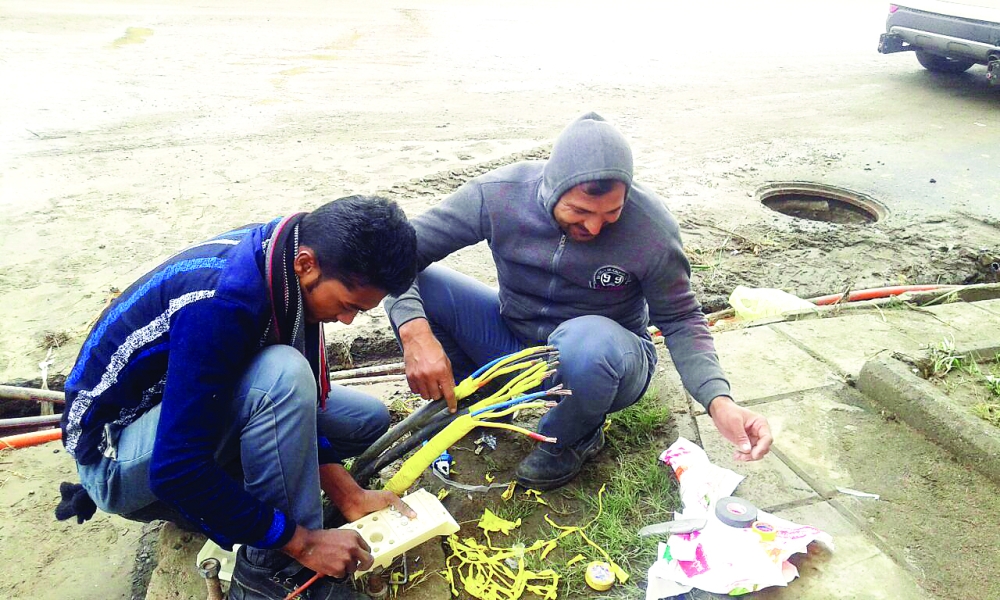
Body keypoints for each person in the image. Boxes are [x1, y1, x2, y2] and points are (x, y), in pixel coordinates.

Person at [384, 113, 773, 491]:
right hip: (514, 340)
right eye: (580, 211)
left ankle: (571, 436)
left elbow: (682, 318)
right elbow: (400, 253)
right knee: (425, 287)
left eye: (611, 213)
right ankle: (485, 400)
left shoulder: (651, 228)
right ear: (549, 189)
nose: (594, 227)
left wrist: (718, 401)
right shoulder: (498, 194)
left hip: (607, 359)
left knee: (587, 344)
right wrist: (416, 334)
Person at [60, 196, 418, 600]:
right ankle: (272, 569)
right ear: (306, 265)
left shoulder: (283, 256)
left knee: (365, 419)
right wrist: (304, 541)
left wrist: (348, 495)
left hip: (176, 409)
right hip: (114, 457)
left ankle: (240, 496)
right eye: (348, 305)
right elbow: (175, 468)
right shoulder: (224, 303)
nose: (347, 320)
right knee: (283, 374)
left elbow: (292, 402)